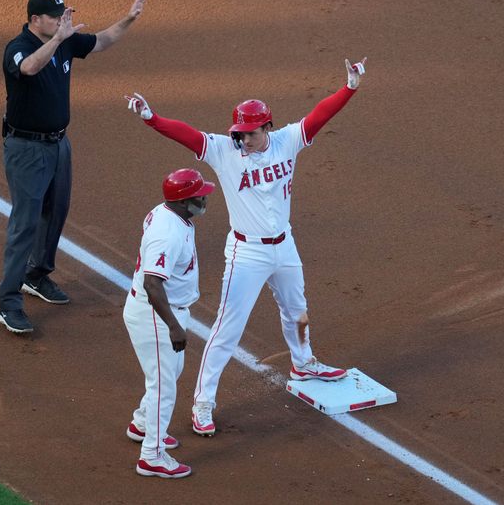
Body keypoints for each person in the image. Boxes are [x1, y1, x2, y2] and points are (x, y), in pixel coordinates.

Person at [125, 58, 367, 436]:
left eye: (251, 132)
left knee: (298, 311)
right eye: (240, 132)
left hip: (285, 246)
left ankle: (303, 361)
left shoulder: (286, 140)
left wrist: (349, 87)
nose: (244, 139)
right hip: (246, 253)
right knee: (227, 329)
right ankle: (203, 403)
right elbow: (186, 134)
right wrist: (151, 118)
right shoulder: (224, 150)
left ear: (267, 127)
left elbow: (320, 116)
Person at [0, 0, 148, 334]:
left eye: (64, 15)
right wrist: (59, 39)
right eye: (55, 16)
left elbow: (102, 41)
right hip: (27, 149)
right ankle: (8, 303)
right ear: (36, 20)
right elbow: (30, 68)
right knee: (25, 223)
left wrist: (129, 18)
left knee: (56, 212)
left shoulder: (63, 40)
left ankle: (36, 276)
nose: (62, 20)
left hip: (58, 144)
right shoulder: (19, 46)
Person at [124, 168, 216, 478]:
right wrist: (174, 326)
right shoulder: (169, 233)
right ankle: (151, 455)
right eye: (198, 195)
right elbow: (153, 284)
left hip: (164, 309)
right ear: (182, 201)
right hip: (157, 313)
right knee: (164, 384)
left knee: (170, 372)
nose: (204, 198)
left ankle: (142, 423)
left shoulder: (170, 215)